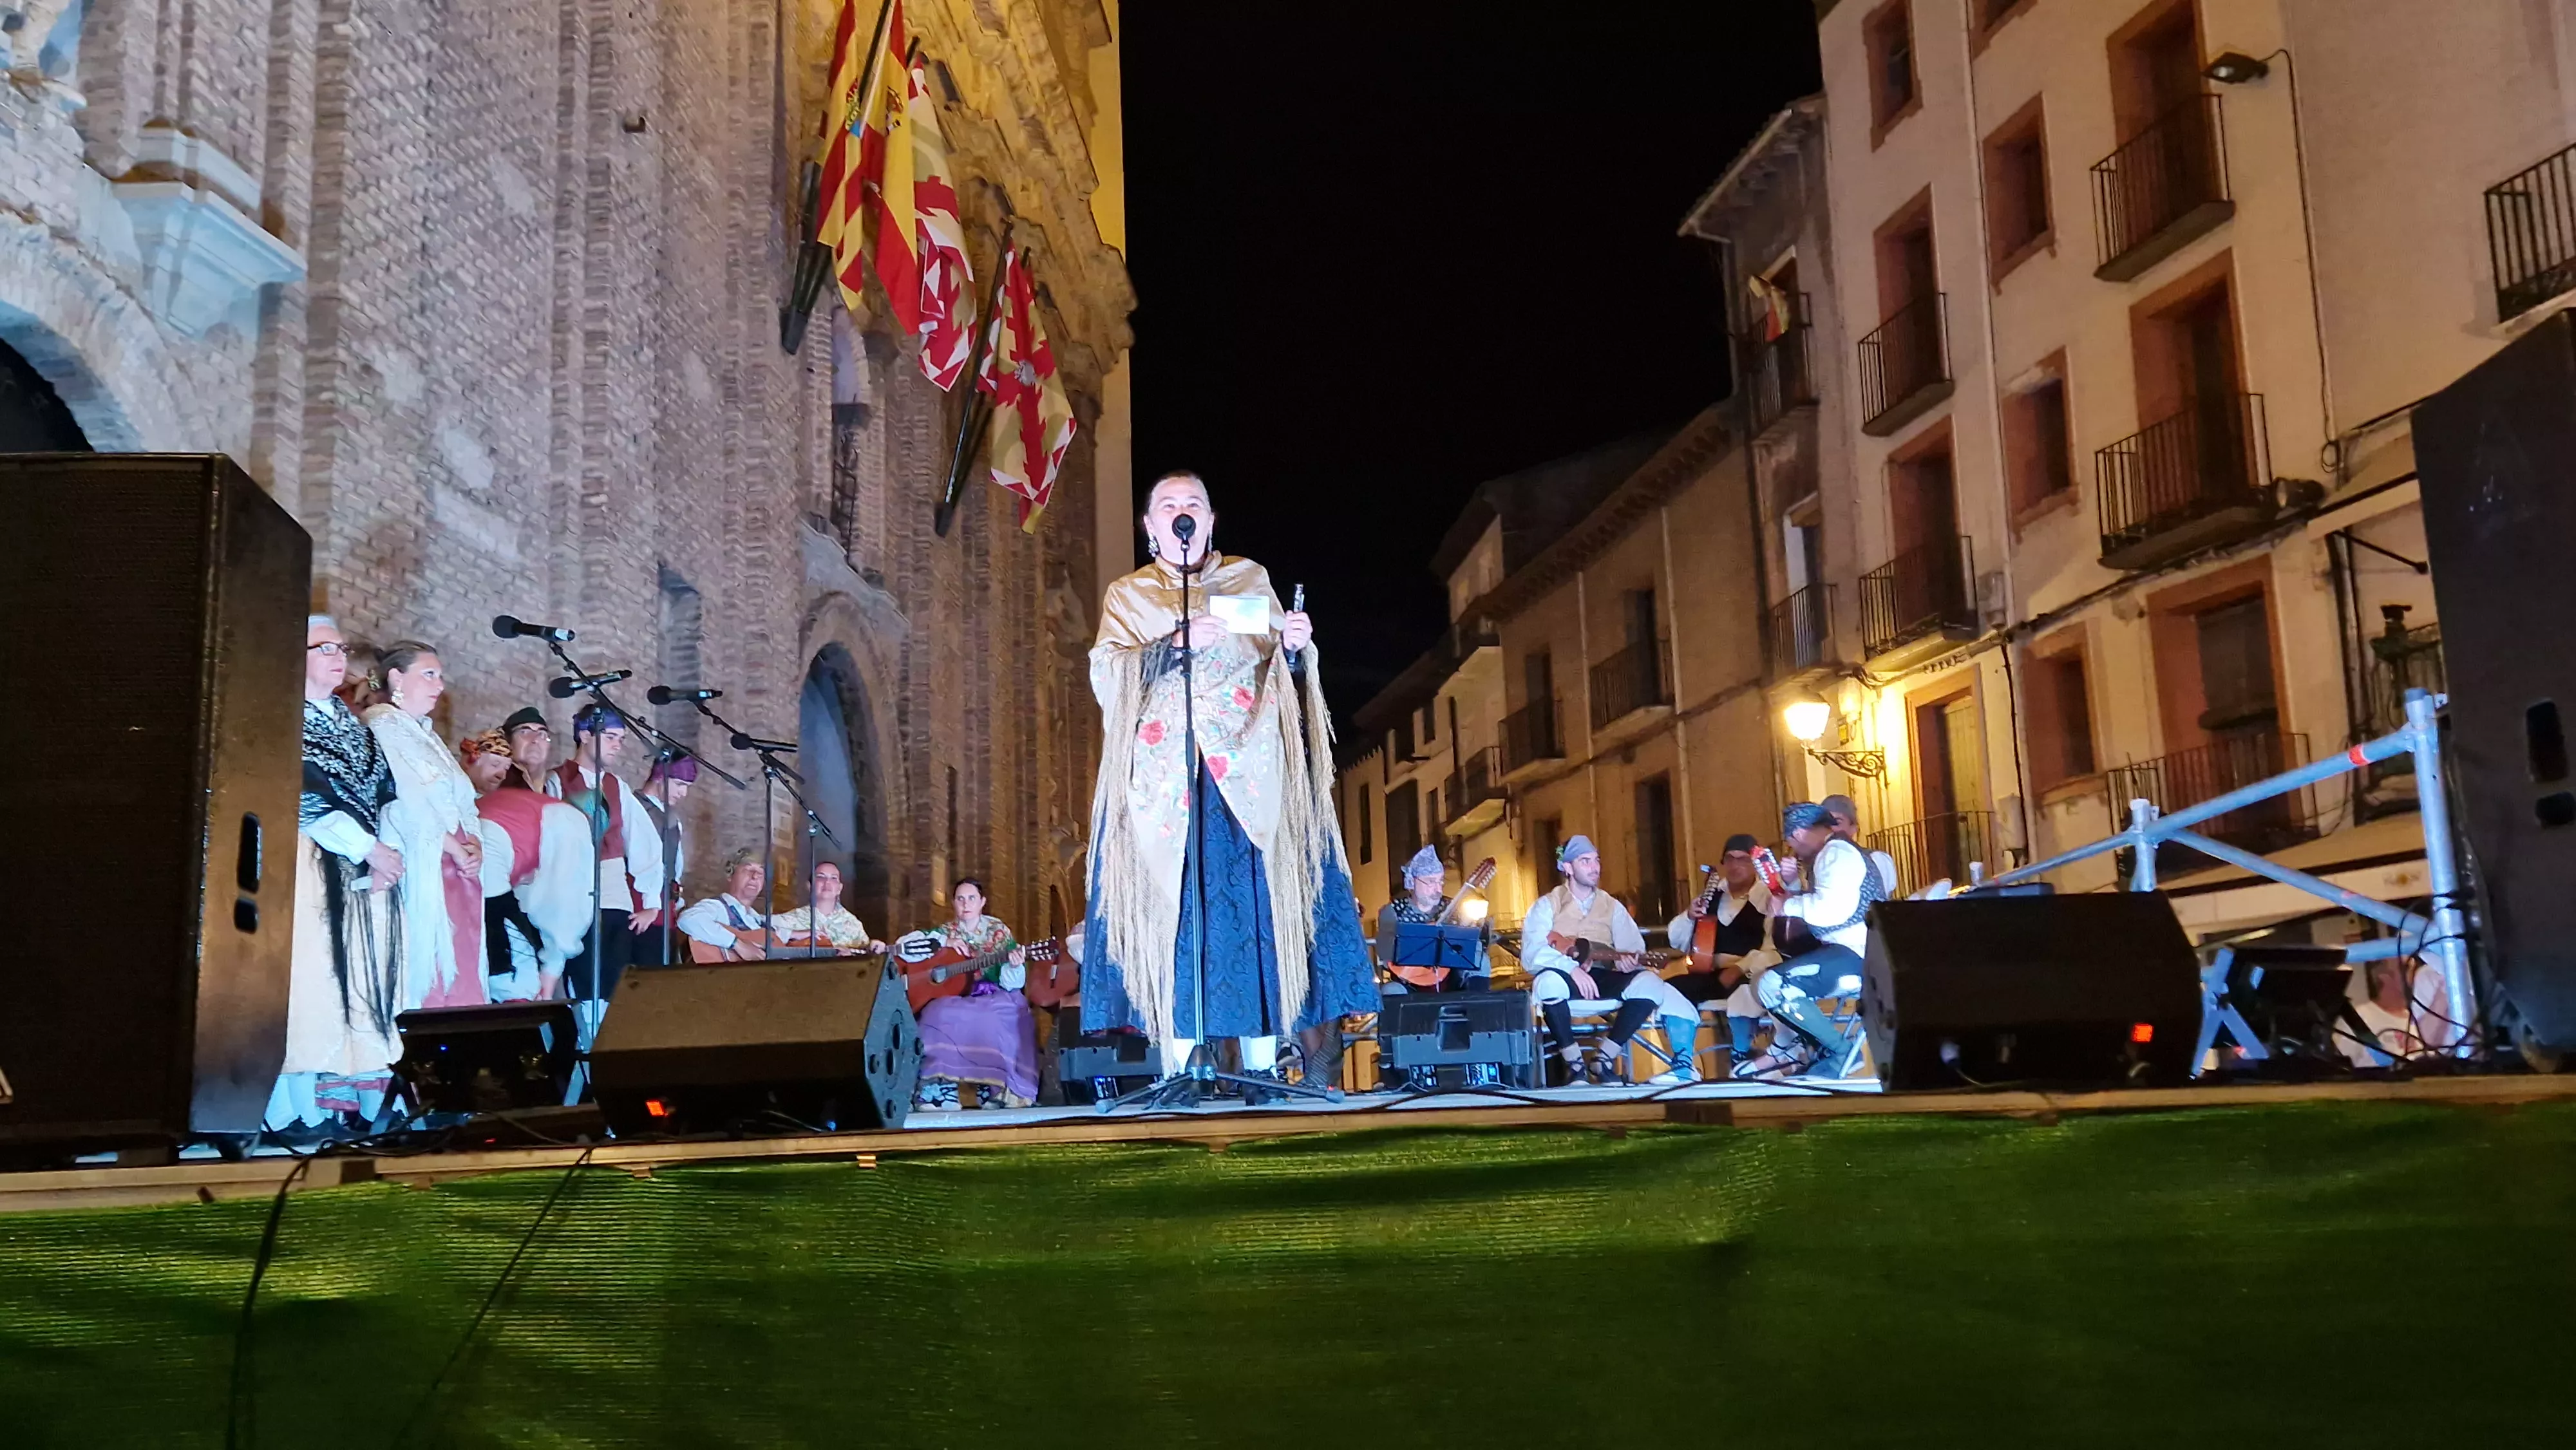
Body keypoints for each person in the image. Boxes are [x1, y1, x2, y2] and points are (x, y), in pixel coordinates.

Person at [1078, 471, 1377, 1091]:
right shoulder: (1129, 596)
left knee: (1254, 918)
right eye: (1168, 505)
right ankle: (1180, 1061)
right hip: (1167, 784)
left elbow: (1273, 659)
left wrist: (1296, 647)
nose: (1181, 513)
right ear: (1150, 526)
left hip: (1246, 782)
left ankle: (1265, 1062)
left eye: (1194, 504)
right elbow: (1106, 673)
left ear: (1211, 521)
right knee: (1180, 921)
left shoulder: (1248, 580)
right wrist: (1172, 643)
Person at [269, 616, 408, 1139]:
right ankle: (291, 1109)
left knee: (358, 983)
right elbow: (296, 794)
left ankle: (342, 1103)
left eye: (340, 647)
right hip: (307, 863)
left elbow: (384, 794)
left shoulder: (352, 724)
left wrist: (389, 856)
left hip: (364, 870)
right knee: (311, 982)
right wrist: (369, 848)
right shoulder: (282, 717)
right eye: (322, 646)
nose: (337, 655)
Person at [363, 642, 487, 1012]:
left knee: (464, 964)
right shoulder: (383, 724)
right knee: (428, 964)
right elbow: (404, 799)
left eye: (441, 676)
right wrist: (452, 846)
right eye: (429, 674)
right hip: (423, 859)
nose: (439, 684)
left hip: (459, 865)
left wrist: (476, 843)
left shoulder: (429, 736)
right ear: (397, 677)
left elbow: (465, 800)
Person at [1522, 836, 1700, 1086]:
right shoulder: (1547, 905)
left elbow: (1633, 948)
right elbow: (1531, 954)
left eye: (1596, 861)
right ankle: (1574, 1065)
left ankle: (1604, 1059)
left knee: (1649, 983)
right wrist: (1572, 970)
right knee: (1547, 983)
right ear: (1568, 867)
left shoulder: (1612, 906)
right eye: (1585, 862)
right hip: (1565, 977)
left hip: (1603, 975)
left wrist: (1627, 963)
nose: (1594, 867)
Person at [1754, 802, 1890, 1078]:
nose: (1793, 849)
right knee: (1767, 981)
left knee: (1773, 984)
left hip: (1859, 953)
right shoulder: (1833, 853)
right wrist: (1790, 889)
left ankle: (1839, 1053)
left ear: (1800, 834)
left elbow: (1831, 910)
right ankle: (1820, 1054)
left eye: (1791, 841)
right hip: (1853, 950)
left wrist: (1786, 906)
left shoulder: (1836, 854)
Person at [545, 704, 667, 1006]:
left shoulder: (617, 786)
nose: (617, 745)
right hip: (572, 891)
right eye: (611, 737)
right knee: (582, 983)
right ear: (585, 735)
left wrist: (651, 902)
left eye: (621, 739)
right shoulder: (556, 781)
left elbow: (644, 841)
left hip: (614, 895)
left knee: (613, 987)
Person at [460, 730, 595, 1002]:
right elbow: (565, 902)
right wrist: (551, 969)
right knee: (510, 958)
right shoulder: (571, 822)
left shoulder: (509, 800)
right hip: (488, 852)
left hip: (463, 849)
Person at [907, 878, 1039, 1109]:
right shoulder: (945, 932)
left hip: (992, 992)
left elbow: (1012, 983)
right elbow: (909, 944)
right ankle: (940, 1086)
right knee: (936, 1012)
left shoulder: (998, 931)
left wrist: (1015, 966)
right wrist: (944, 941)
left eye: (971, 899)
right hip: (956, 994)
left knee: (996, 1017)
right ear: (953, 903)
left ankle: (992, 1087)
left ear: (982, 902)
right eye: (960, 899)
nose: (966, 904)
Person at [1665, 834, 1779, 1072]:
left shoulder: (1768, 898)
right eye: (1730, 859)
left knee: (1743, 989)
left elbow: (1773, 950)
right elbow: (1678, 941)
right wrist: (1689, 916)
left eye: (1744, 860)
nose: (1736, 865)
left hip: (1750, 973)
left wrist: (1740, 967)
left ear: (1755, 865)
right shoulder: (1713, 896)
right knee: (1671, 989)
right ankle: (1684, 1064)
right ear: (1724, 863)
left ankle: (1741, 1055)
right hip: (1712, 971)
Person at [1376, 844, 1488, 992]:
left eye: (1440, 881)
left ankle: (1479, 1010)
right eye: (1430, 882)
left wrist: (1465, 928)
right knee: (1391, 991)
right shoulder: (1393, 911)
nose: (1438, 889)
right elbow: (1384, 954)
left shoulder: (1452, 907)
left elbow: (1467, 947)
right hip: (1408, 983)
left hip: (1450, 978)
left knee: (1481, 960)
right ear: (1412, 882)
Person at [633, 753, 697, 967]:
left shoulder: (671, 818)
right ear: (660, 776)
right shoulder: (633, 809)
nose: (684, 793)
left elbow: (675, 869)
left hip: (666, 908)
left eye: (687, 786)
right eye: (679, 784)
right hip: (639, 907)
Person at [675, 849, 772, 961]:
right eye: (748, 870)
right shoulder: (718, 908)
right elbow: (688, 919)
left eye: (760, 873)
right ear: (730, 875)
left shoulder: (757, 920)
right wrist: (737, 945)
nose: (755, 876)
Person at [769, 860, 878, 955]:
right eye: (821, 877)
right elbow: (756, 926)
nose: (827, 882)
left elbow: (867, 956)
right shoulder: (792, 919)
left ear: (840, 888)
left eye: (834, 878)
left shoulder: (853, 924)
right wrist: (794, 934)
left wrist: (874, 947)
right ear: (810, 886)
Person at [1821, 793, 1902, 896]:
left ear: (1854, 828)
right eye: (1825, 824)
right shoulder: (1816, 862)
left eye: (1837, 822)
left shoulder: (1876, 859)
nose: (1830, 829)